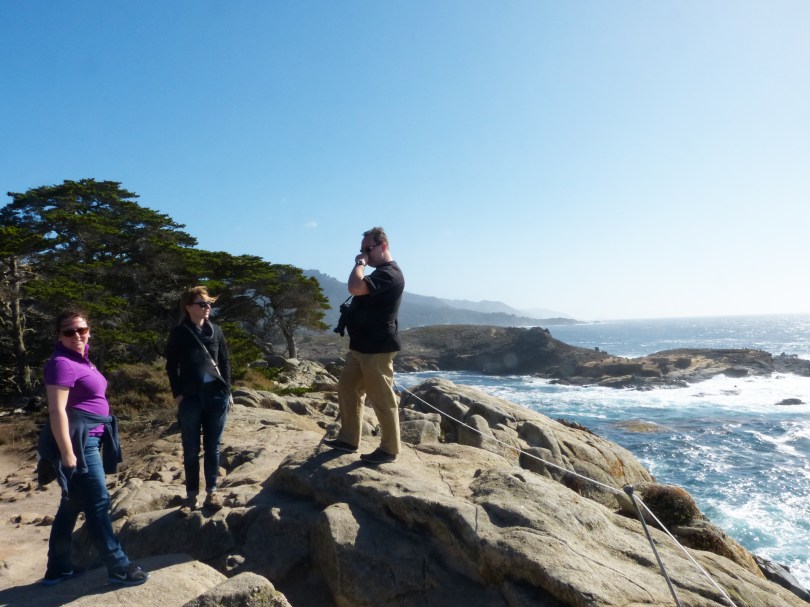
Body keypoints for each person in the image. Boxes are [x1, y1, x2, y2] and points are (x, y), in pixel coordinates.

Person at [38, 308, 149, 587]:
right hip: (79, 441)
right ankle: (118, 566)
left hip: (92, 436)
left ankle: (58, 568)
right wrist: (67, 453)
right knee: (98, 502)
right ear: (59, 336)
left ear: (89, 331)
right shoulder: (60, 363)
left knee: (72, 503)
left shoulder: (84, 361)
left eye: (82, 330)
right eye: (69, 331)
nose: (77, 335)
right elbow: (57, 410)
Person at [324, 227, 405, 464]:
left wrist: (359, 263)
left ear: (383, 246)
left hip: (378, 348)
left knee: (381, 398)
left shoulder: (390, 273)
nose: (364, 255)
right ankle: (349, 440)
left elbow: (355, 287)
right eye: (361, 251)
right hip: (360, 346)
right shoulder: (379, 272)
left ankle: (389, 450)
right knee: (347, 388)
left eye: (368, 249)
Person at [165, 286, 232, 512]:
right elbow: (171, 366)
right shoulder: (179, 333)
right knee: (191, 448)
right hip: (191, 397)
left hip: (216, 394)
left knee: (213, 447)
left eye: (209, 304)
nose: (207, 308)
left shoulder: (217, 331)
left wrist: (228, 391)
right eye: (202, 304)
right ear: (188, 307)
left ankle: (212, 492)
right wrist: (178, 395)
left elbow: (224, 362)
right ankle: (191, 496)